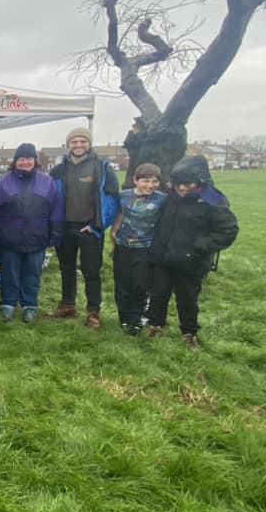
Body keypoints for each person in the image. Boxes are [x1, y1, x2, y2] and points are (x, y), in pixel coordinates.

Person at [145, 156, 238, 349]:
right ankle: (155, 325)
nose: (181, 188)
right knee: (158, 294)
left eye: (187, 184)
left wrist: (201, 246)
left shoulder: (213, 200)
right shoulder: (168, 196)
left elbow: (228, 230)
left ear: (201, 181)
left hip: (191, 261)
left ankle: (189, 333)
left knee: (187, 299)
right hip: (162, 256)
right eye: (178, 184)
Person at [0, 143, 63, 323]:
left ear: (35, 160)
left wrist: (55, 234)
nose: (25, 162)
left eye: (28, 158)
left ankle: (29, 305)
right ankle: (8, 304)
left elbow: (56, 210)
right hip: (8, 237)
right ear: (15, 161)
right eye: (21, 159)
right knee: (9, 272)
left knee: (32, 273)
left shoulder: (47, 182)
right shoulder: (2, 182)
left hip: (37, 236)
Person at [47, 126, 119, 329]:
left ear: (89, 143)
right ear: (67, 144)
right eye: (74, 142)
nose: (78, 145)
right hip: (65, 227)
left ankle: (93, 312)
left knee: (91, 272)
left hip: (90, 228)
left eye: (83, 141)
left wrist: (98, 225)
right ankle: (67, 305)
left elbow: (112, 199)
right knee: (66, 268)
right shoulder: (59, 169)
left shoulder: (102, 167)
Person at [111, 163, 165, 335]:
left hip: (146, 248)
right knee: (122, 285)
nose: (150, 185)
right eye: (145, 181)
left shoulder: (162, 199)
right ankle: (124, 318)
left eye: (154, 182)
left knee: (140, 286)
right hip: (123, 246)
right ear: (135, 180)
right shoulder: (123, 196)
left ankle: (137, 319)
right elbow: (119, 214)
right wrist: (114, 231)